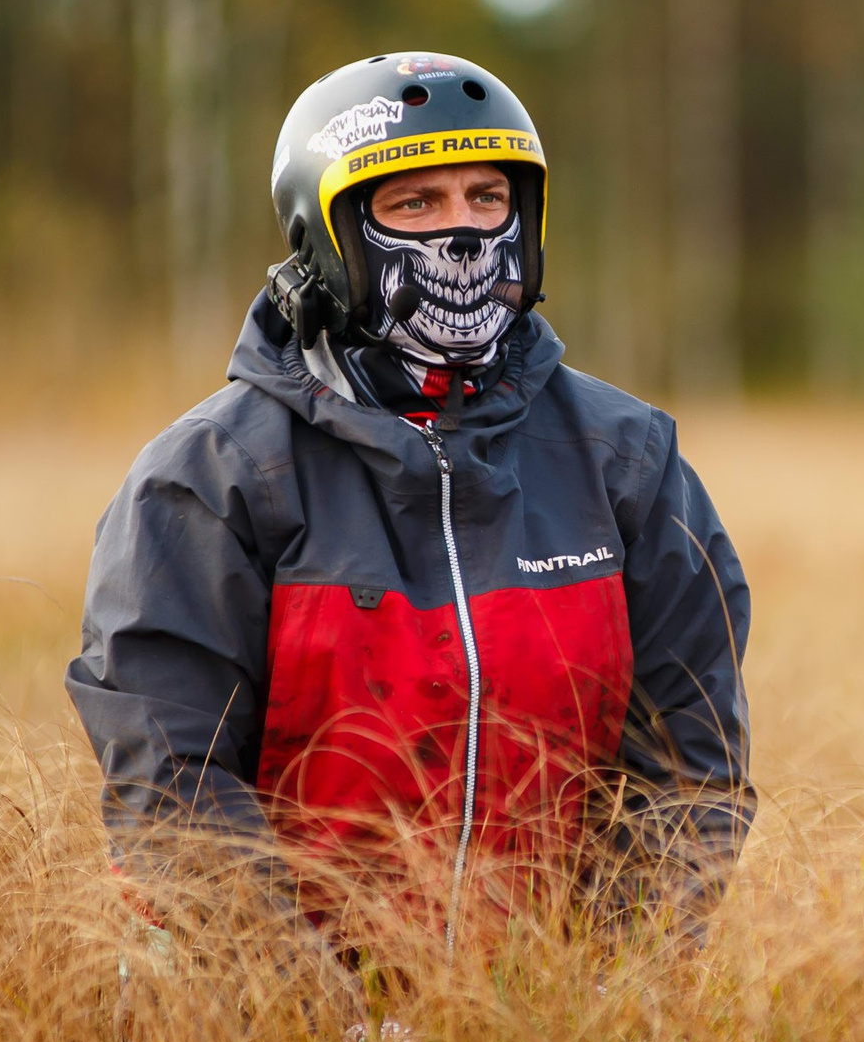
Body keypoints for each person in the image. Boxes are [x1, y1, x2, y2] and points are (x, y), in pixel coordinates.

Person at [67, 53, 751, 952]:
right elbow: (173, 797)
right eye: (415, 204)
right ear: (330, 235)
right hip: (271, 1025)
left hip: (548, 1018)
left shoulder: (625, 460)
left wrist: (592, 1007)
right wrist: (317, 1021)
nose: (462, 233)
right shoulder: (208, 479)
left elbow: (691, 773)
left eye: (486, 198)